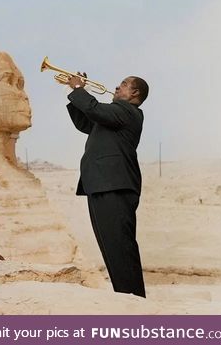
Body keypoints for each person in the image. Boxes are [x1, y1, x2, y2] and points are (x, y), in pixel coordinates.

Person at [66, 73, 149, 298]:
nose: (116, 86)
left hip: (114, 185)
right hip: (102, 184)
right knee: (111, 247)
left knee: (120, 247)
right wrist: (75, 92)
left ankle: (134, 301)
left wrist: (79, 90)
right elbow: (85, 121)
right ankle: (127, 297)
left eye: (123, 84)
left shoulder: (128, 112)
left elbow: (95, 110)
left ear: (135, 93)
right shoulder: (113, 116)